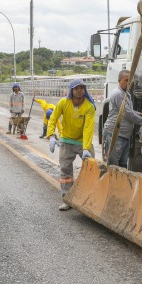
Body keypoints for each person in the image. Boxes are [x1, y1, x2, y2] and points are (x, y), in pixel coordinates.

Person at [46, 79, 96, 211]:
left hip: (83, 142)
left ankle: (89, 198)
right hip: (66, 141)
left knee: (92, 169)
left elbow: (88, 128)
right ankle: (67, 199)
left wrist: (86, 148)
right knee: (65, 171)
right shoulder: (64, 103)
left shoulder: (89, 106)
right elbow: (53, 118)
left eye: (82, 88)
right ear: (71, 90)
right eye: (76, 88)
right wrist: (51, 135)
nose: (79, 91)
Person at [102, 70, 142, 167]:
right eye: (126, 80)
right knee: (114, 165)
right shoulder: (118, 94)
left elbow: (129, 110)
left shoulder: (125, 93)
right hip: (115, 135)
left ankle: (120, 182)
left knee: (123, 164)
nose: (128, 83)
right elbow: (127, 114)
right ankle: (113, 182)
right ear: (119, 81)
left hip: (123, 135)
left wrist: (140, 114)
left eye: (130, 81)